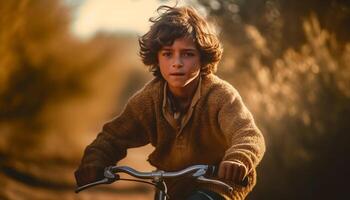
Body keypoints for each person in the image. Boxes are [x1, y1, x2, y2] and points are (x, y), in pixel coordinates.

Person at [74, 5, 265, 200]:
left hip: (220, 184)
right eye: (167, 53)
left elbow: (248, 134)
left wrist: (238, 159)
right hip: (171, 185)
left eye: (188, 54)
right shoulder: (148, 99)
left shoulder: (221, 95)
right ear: (156, 58)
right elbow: (114, 136)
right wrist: (95, 160)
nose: (177, 62)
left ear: (203, 58)